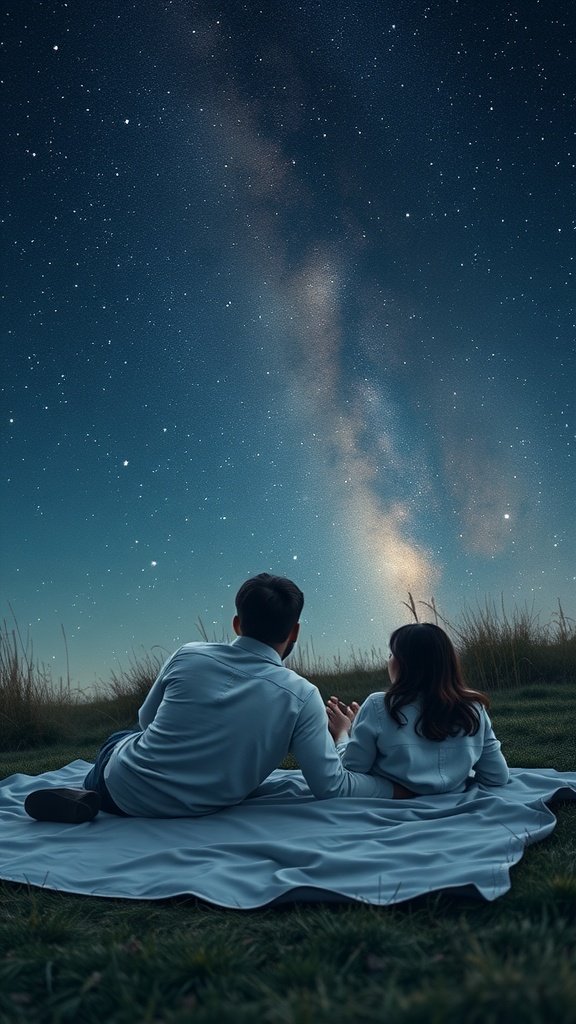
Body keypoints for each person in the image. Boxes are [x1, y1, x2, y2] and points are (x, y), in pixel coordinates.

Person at [25, 573, 406, 824]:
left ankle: (89, 792)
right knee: (121, 741)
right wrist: (393, 787)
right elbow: (331, 787)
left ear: (237, 624)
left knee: (118, 740)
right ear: (295, 632)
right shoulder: (302, 695)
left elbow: (146, 721)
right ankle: (94, 791)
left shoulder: (188, 653)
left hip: (124, 792)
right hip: (205, 804)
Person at [326, 622, 509, 795]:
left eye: (391, 654)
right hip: (456, 804)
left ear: (403, 663)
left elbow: (351, 773)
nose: (388, 660)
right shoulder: (473, 708)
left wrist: (343, 733)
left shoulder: (377, 705)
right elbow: (497, 776)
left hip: (395, 808)